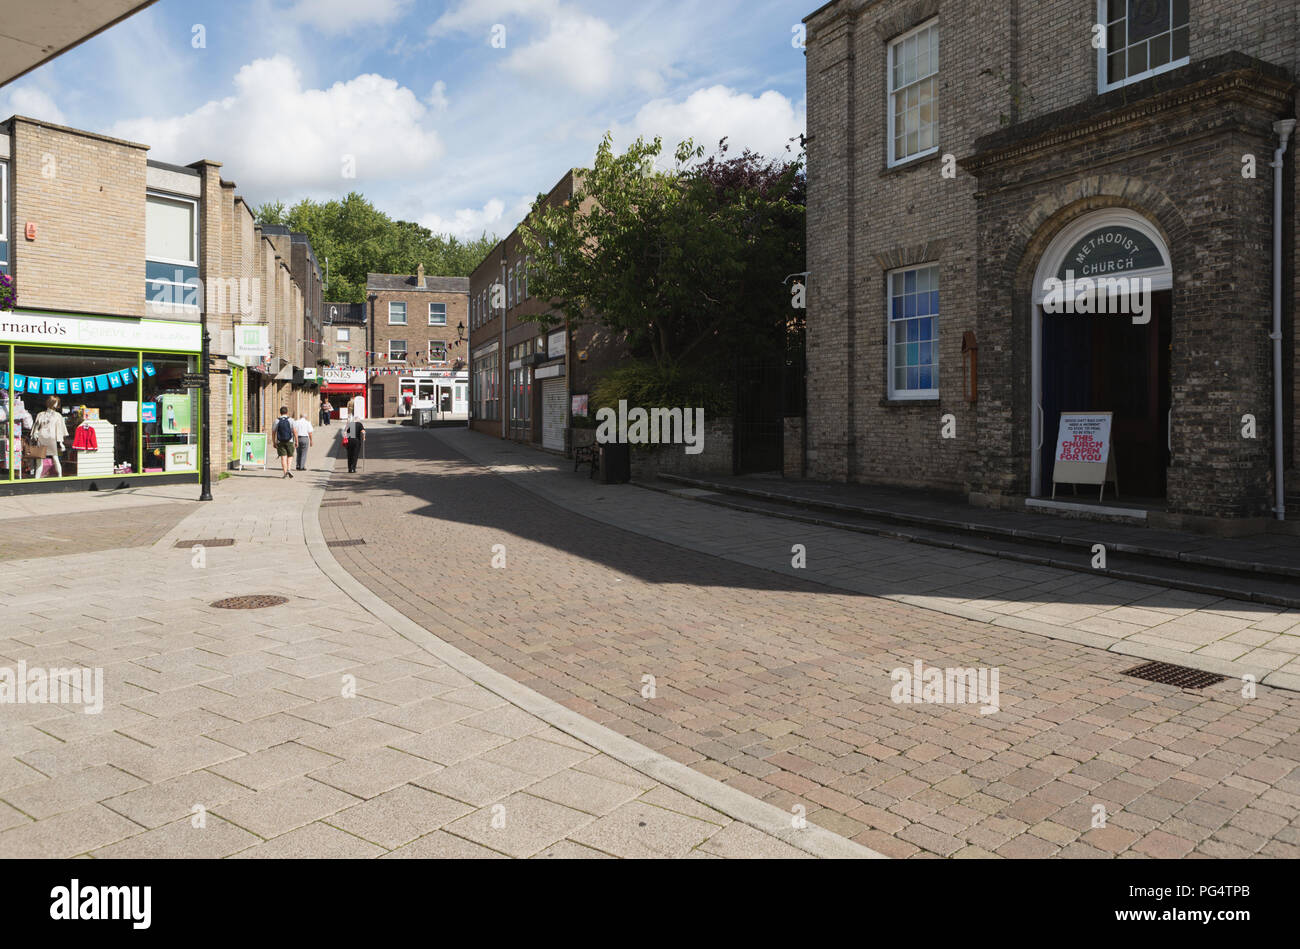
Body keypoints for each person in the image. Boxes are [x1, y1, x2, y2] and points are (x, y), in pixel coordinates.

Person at [32, 395, 69, 479]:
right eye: (54, 402)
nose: (55, 405)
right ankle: (36, 478)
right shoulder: (40, 414)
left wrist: (61, 442)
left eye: (57, 403)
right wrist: (35, 434)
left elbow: (59, 430)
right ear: (50, 403)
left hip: (52, 439)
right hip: (41, 439)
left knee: (55, 458)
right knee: (39, 460)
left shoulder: (58, 416)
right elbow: (36, 427)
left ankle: (60, 477)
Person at [273, 407, 296, 479]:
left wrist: (274, 442)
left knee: (283, 457)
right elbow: (295, 431)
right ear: (287, 412)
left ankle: (285, 472)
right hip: (290, 441)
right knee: (290, 456)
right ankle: (289, 469)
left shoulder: (277, 421)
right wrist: (297, 441)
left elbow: (273, 432)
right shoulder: (291, 420)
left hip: (280, 441)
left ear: (280, 412)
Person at [344, 406, 366, 473]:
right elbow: (363, 431)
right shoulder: (359, 424)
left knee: (349, 455)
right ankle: (353, 468)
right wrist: (364, 438)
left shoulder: (351, 424)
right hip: (356, 441)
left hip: (350, 441)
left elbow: (346, 433)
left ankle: (349, 469)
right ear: (358, 420)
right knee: (355, 455)